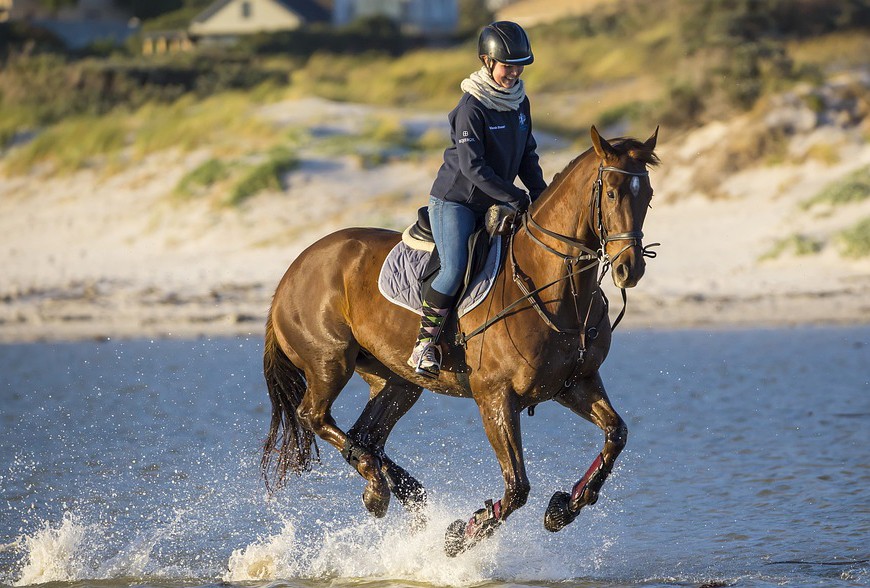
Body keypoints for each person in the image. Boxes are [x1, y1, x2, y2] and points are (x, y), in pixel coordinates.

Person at [408, 20, 548, 378]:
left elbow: (527, 156)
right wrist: (515, 195)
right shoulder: (472, 107)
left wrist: (541, 195)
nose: (514, 73)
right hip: (456, 201)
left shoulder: (520, 103)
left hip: (496, 200)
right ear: (487, 61)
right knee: (455, 267)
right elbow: (473, 168)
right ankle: (424, 344)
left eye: (520, 66)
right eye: (508, 65)